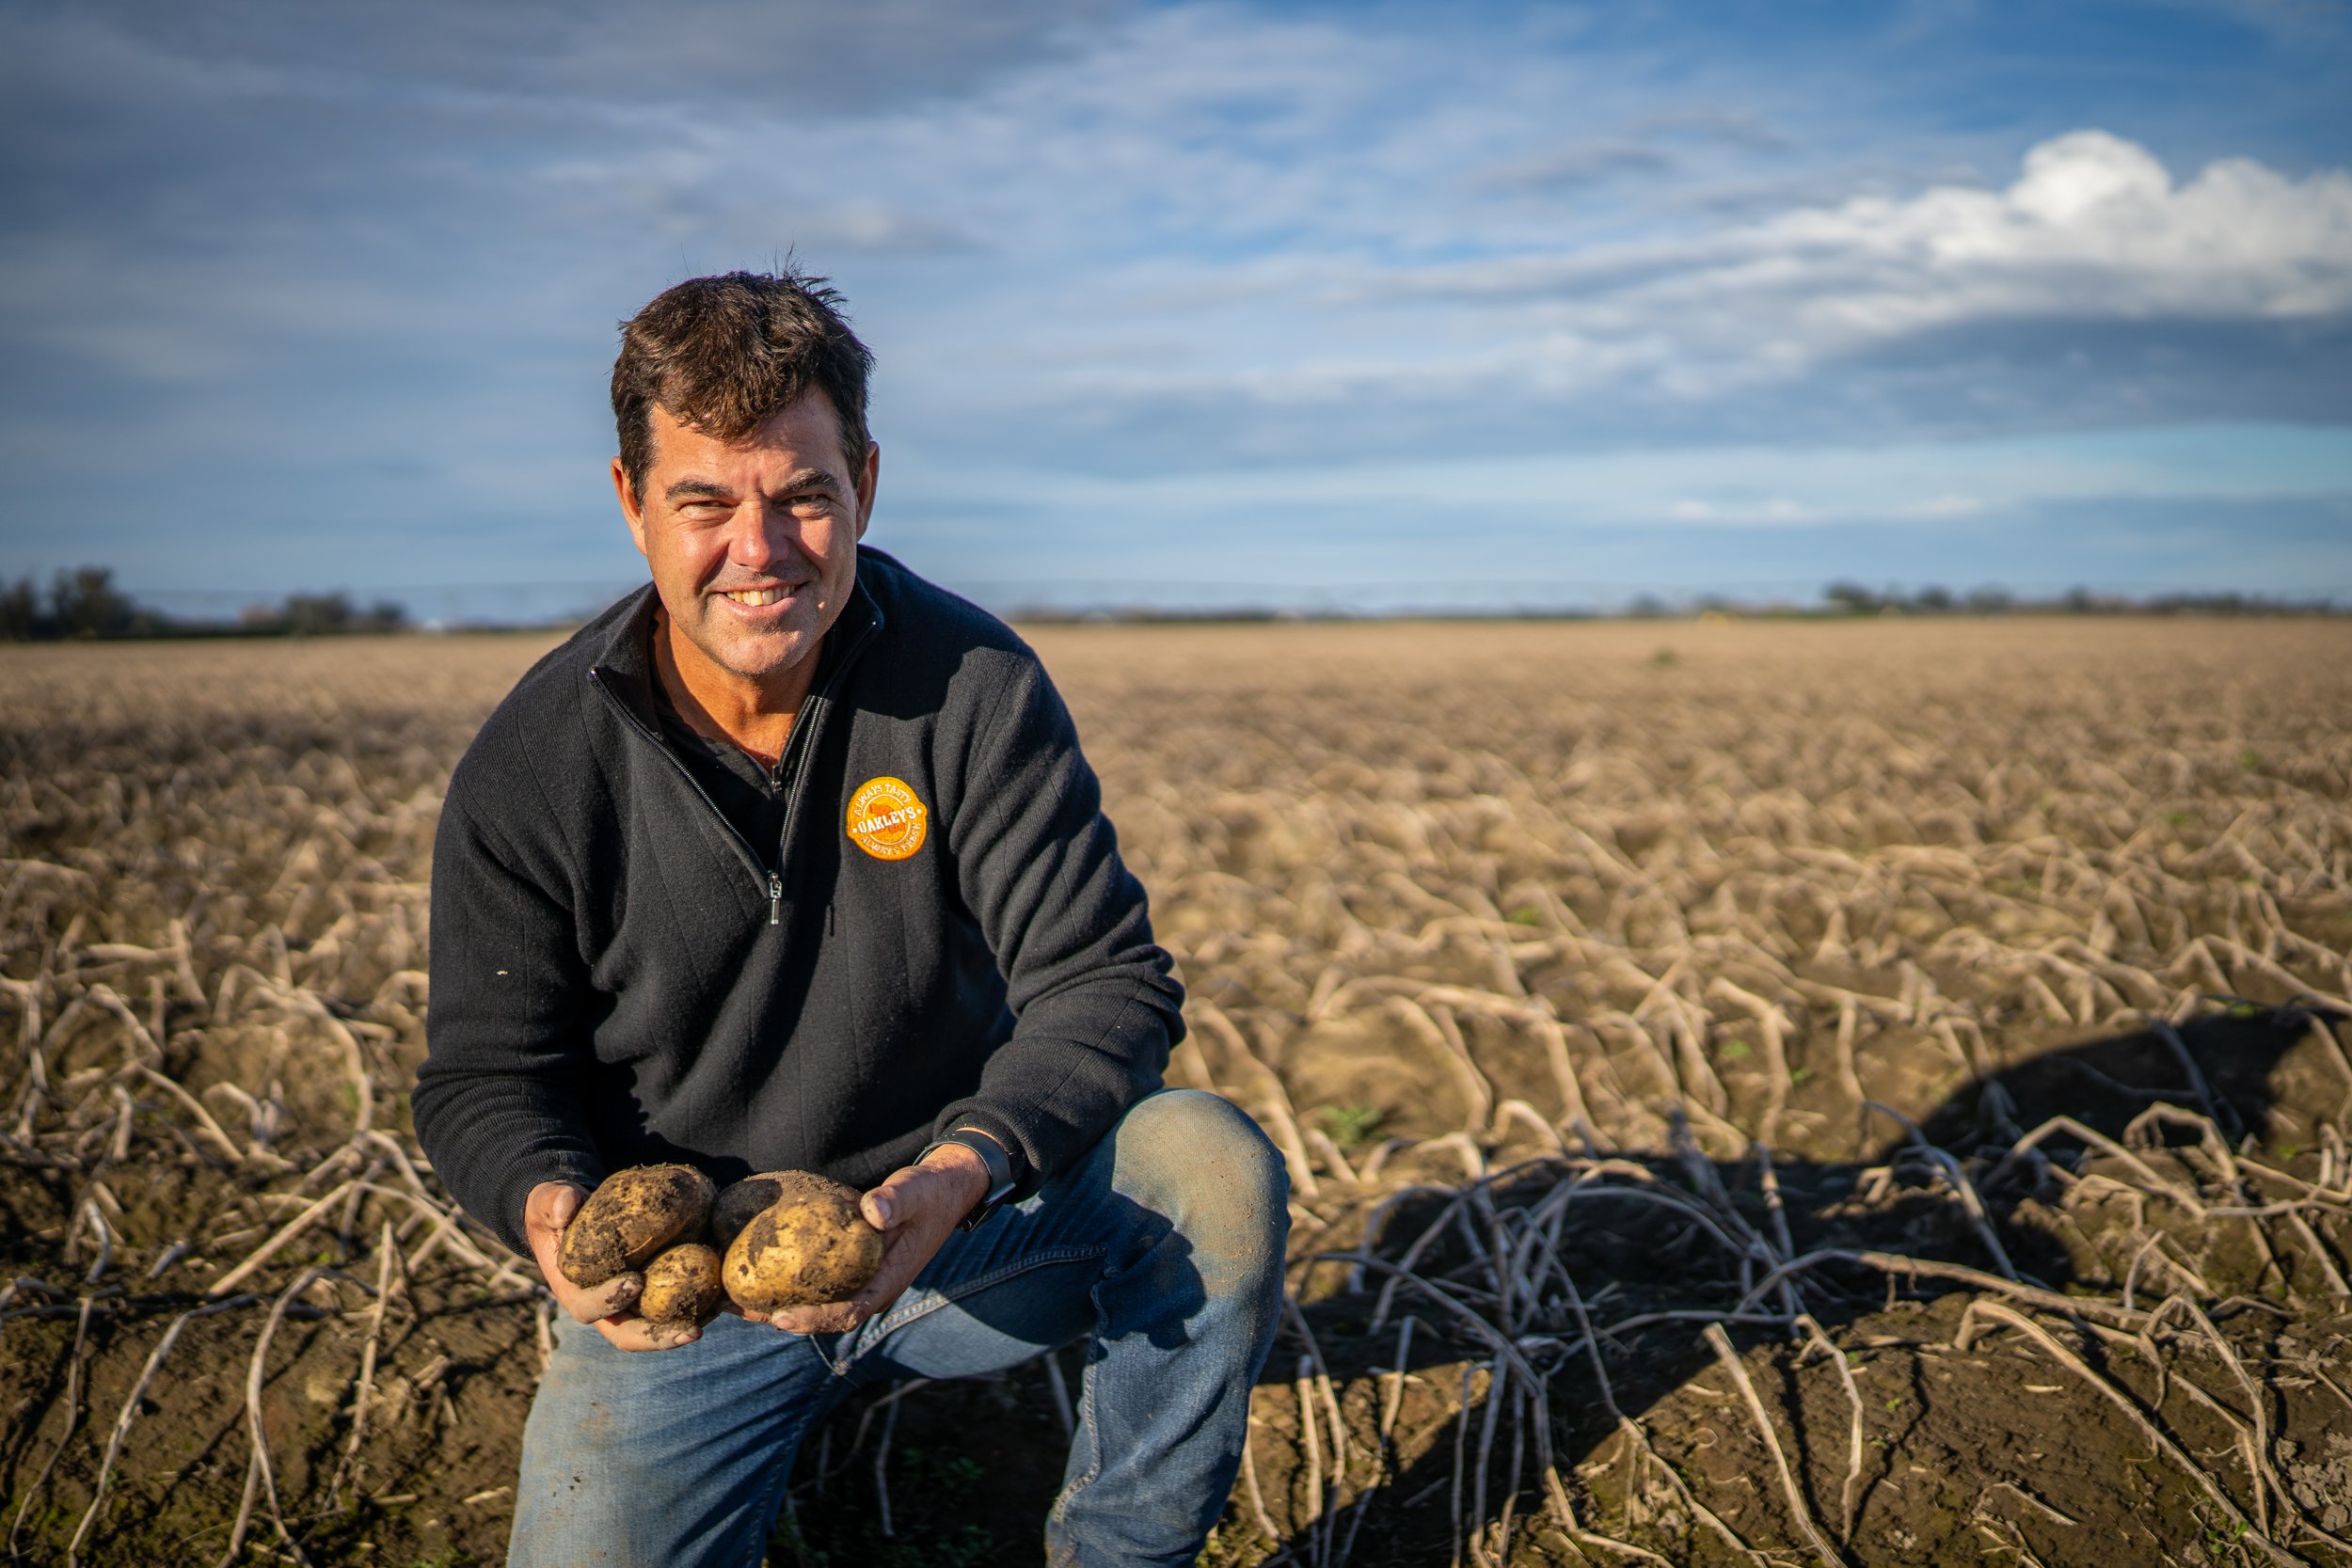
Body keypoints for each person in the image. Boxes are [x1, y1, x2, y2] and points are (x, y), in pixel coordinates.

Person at [411, 268, 1289, 1568]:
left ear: (864, 486)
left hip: (957, 1229)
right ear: (630, 504)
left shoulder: (969, 687)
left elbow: (1106, 983)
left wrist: (963, 1171)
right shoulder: (538, 761)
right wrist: (551, 1212)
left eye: (803, 497)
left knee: (1207, 1168)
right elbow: (485, 1074)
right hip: (697, 1293)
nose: (758, 551)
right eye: (704, 503)